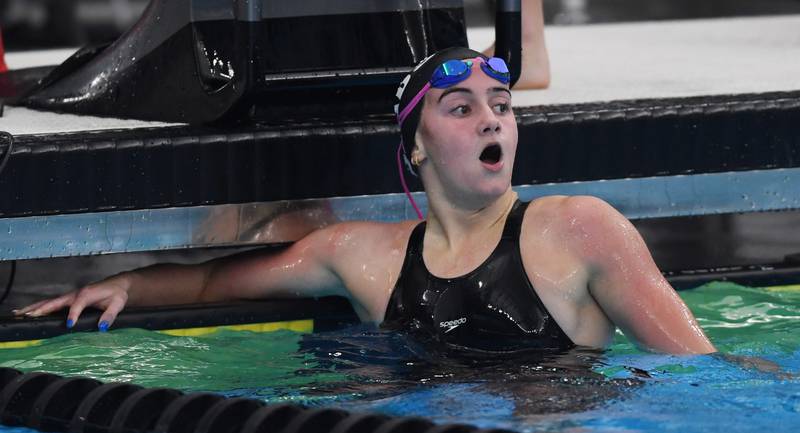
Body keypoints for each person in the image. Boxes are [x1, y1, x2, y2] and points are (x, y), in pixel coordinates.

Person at [15, 47, 715, 355]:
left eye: (501, 106)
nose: (492, 120)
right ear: (416, 146)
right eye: (462, 107)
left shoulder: (581, 229)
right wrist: (126, 286)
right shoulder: (361, 256)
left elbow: (700, 370)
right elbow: (210, 280)